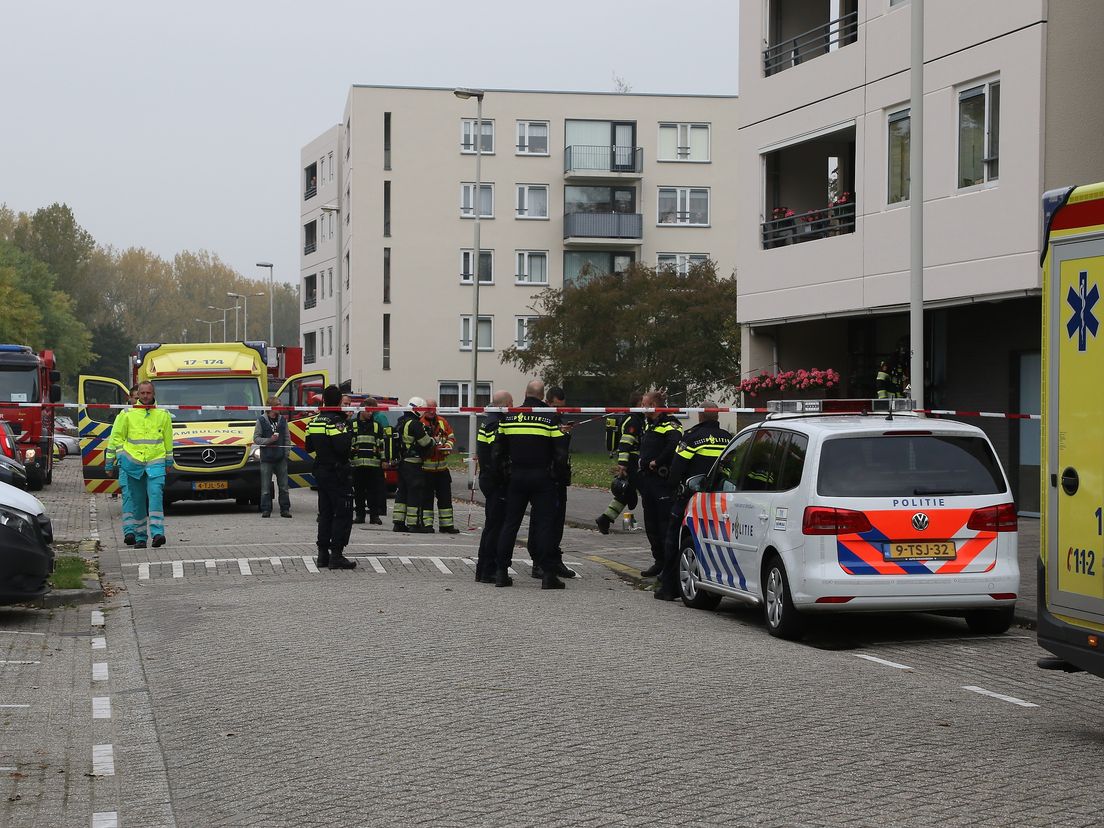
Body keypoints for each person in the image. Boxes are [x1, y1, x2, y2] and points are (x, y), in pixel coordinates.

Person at [493, 379, 570, 589]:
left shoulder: (509, 416)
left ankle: (501, 572)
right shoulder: (550, 417)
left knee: (510, 524)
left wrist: (504, 475)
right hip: (542, 478)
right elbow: (561, 454)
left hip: (517, 477)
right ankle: (547, 575)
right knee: (545, 525)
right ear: (542, 395)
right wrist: (558, 477)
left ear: (525, 393)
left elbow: (498, 450)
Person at [655, 402, 732, 600]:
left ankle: (669, 588)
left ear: (699, 416)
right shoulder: (729, 439)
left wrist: (673, 486)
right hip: (721, 500)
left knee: (675, 540)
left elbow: (676, 471)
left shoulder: (691, 438)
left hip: (691, 499)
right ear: (717, 417)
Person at [105, 381, 173, 550]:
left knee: (156, 496)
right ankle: (140, 537)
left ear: (153, 394)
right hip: (133, 464)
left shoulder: (163, 414)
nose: (144, 396)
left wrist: (169, 460)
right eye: (142, 393)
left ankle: (158, 533)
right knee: (138, 501)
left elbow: (168, 439)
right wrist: (112, 460)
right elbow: (116, 438)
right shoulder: (127, 414)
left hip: (155, 462)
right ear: (138, 395)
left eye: (148, 393)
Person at [305, 385, 356, 570]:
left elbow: (308, 446)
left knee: (325, 514)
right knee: (342, 513)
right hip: (337, 473)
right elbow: (342, 448)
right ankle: (336, 555)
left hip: (321, 471)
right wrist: (348, 434)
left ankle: (322, 555)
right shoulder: (336, 422)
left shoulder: (314, 421)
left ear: (324, 400)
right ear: (338, 401)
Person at [528, 386, 575, 579]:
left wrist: (565, 434)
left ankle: (555, 558)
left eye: (562, 407)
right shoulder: (545, 419)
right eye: (556, 406)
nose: (560, 410)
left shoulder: (557, 419)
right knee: (542, 522)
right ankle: (539, 562)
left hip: (559, 478)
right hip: (546, 478)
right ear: (547, 402)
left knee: (557, 522)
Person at [636, 389, 683, 578]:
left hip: (661, 481)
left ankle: (669, 565)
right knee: (651, 523)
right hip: (648, 480)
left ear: (653, 405)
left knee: (664, 523)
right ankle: (659, 560)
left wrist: (658, 462)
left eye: (643, 403)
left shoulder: (670, 423)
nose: (640, 407)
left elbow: (674, 445)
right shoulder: (649, 425)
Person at [474, 390, 513, 583]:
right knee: (496, 526)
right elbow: (497, 455)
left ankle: (482, 569)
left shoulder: (487, 421)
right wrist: (505, 478)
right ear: (504, 404)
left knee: (491, 526)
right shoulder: (497, 424)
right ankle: (489, 569)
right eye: (511, 403)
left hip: (487, 479)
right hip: (496, 481)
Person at [596, 390, 645, 534]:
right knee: (647, 491)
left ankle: (605, 519)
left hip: (632, 460)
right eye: (645, 403)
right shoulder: (634, 420)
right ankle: (657, 521)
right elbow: (625, 442)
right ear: (639, 404)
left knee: (624, 495)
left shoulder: (635, 418)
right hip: (632, 461)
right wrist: (623, 465)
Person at [392, 397, 435, 533]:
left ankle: (398, 523)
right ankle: (413, 524)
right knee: (415, 493)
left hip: (402, 463)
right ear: (417, 409)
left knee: (402, 493)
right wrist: (434, 440)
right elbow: (425, 443)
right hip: (413, 464)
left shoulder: (401, 422)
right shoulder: (415, 424)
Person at [420, 398, 460, 534]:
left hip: (442, 469)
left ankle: (446, 525)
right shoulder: (420, 423)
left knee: (445, 498)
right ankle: (427, 525)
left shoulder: (442, 421)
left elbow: (451, 437)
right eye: (429, 408)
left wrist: (447, 447)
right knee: (427, 499)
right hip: (426, 469)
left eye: (433, 408)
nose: (431, 411)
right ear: (424, 409)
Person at [253, 395, 292, 519]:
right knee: (265, 487)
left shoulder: (282, 420)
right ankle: (266, 509)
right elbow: (256, 439)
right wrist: (269, 440)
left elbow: (287, 437)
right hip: (267, 458)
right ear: (271, 407)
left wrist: (286, 453)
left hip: (280, 458)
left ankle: (285, 509)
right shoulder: (261, 420)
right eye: (278, 405)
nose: (280, 407)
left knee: (284, 486)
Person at [111, 383, 141, 538]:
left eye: (140, 398)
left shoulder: (150, 415)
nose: (138, 401)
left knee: (139, 500)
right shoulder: (123, 415)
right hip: (126, 465)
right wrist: (111, 461)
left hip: (143, 466)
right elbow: (114, 440)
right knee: (128, 497)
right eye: (136, 398)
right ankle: (129, 532)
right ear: (130, 398)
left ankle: (139, 531)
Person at [350, 399, 386, 524]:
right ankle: (360, 516)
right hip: (357, 465)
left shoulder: (377, 426)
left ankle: (374, 516)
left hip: (373, 465)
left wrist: (383, 460)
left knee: (373, 492)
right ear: (362, 409)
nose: (371, 413)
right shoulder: (352, 424)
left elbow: (381, 445)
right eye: (368, 410)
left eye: (372, 411)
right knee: (358, 492)